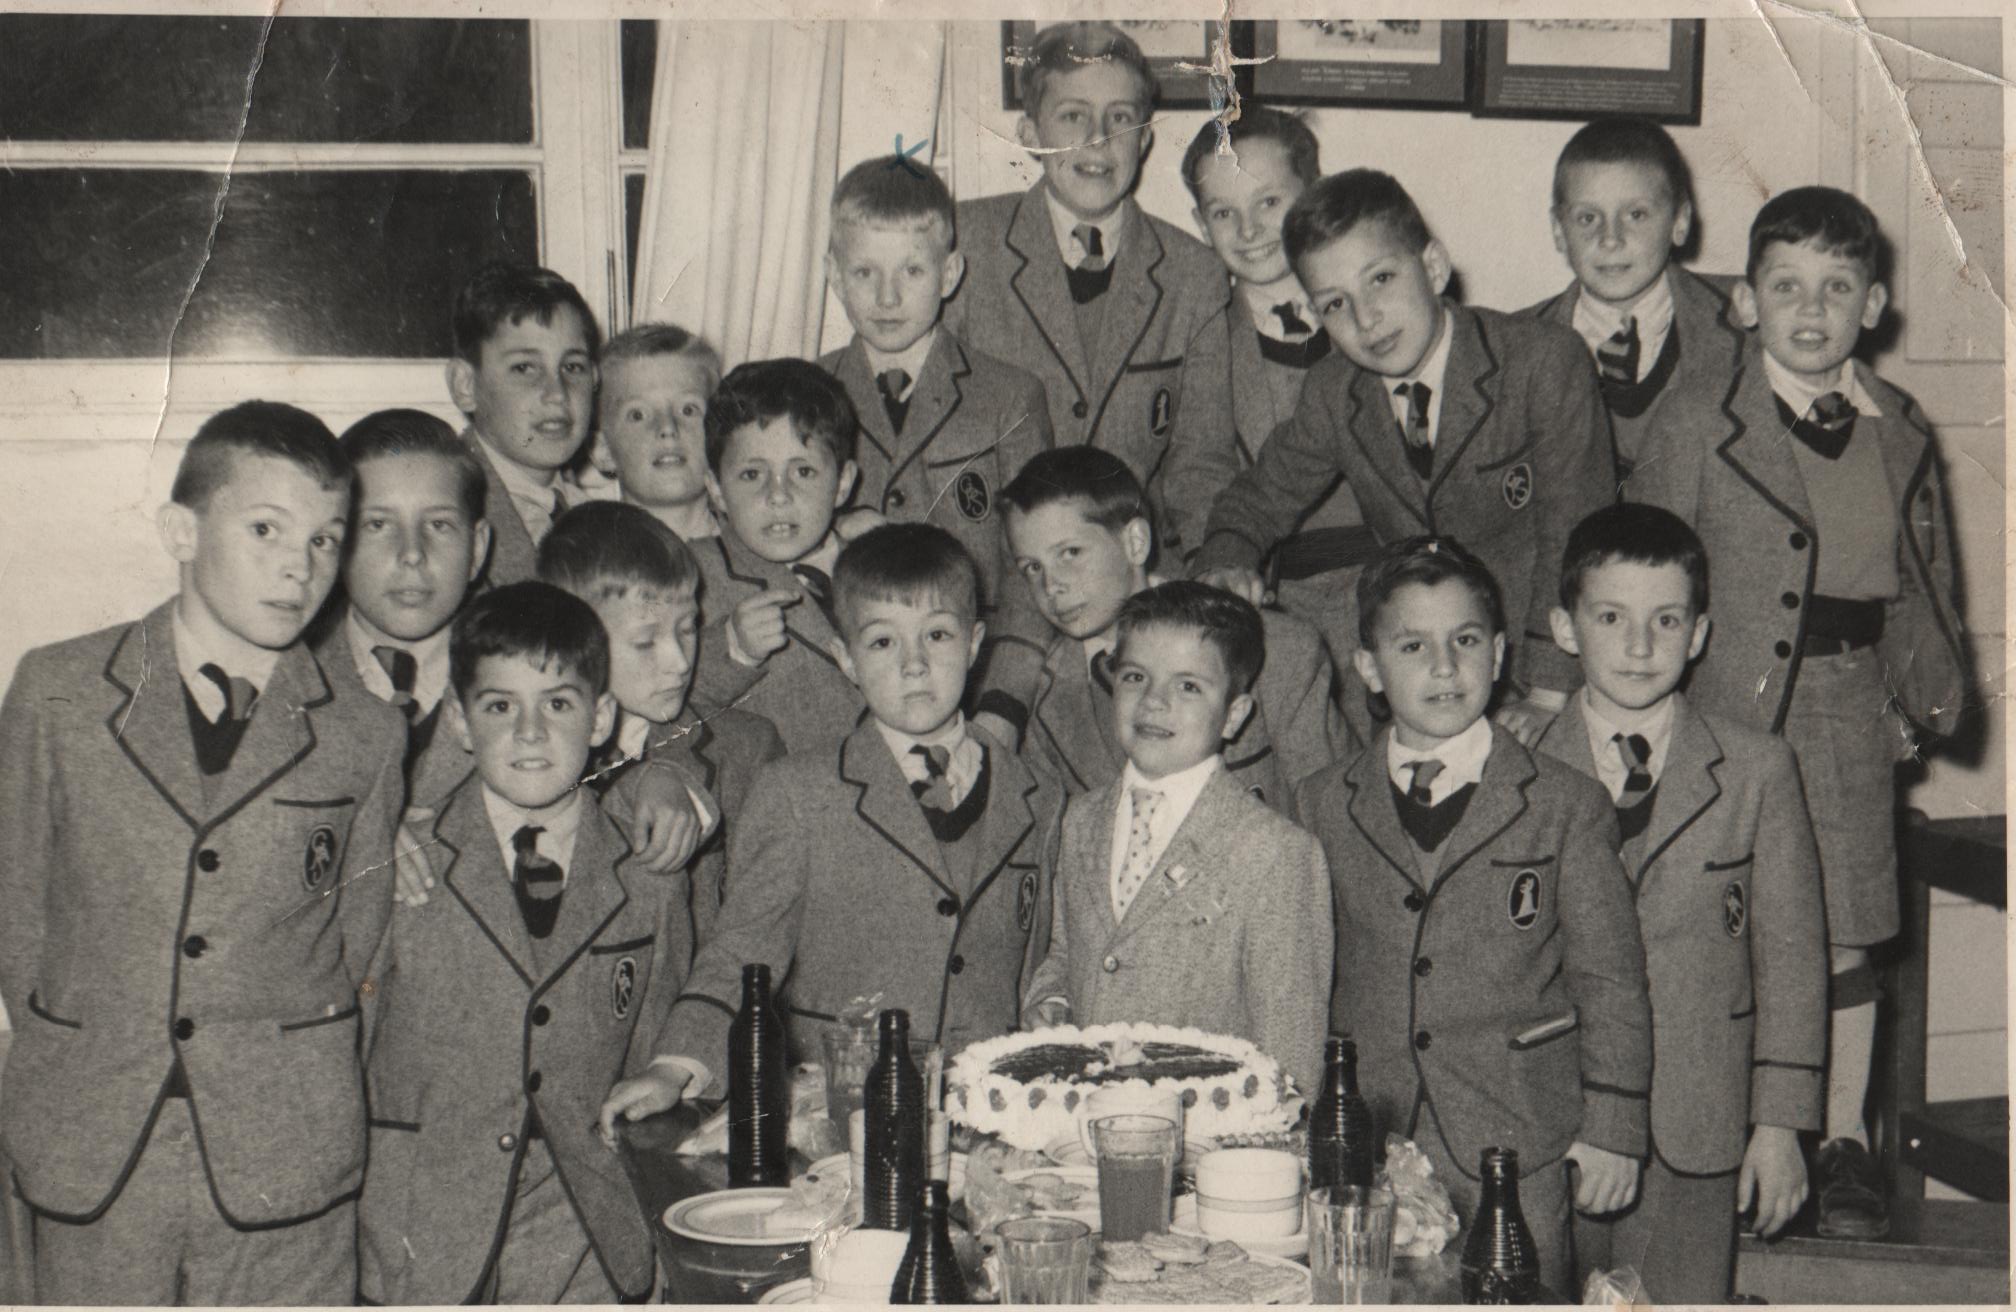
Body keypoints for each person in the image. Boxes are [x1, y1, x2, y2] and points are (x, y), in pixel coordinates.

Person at [0, 401, 404, 1304]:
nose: (299, 566)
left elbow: (359, 947)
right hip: (94, 1143)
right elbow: (16, 911)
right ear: (180, 531)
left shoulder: (365, 734)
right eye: (266, 529)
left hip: (284, 1156)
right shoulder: (57, 693)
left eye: (325, 540)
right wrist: (86, 1048)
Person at [1630, 186, 1968, 1239]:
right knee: (1728, 923)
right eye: (1786, 286)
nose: (1811, 310)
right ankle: (1723, 1138)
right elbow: (1648, 564)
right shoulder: (1698, 418)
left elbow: (1922, 579)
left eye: (1836, 287)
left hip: (1847, 705)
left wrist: (1913, 702)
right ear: (1744, 302)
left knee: (1845, 932)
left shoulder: (1898, 427)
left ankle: (1842, 1142)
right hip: (1725, 703)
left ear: (1874, 305)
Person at [597, 524, 1063, 1129]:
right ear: (845, 659)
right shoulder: (798, 793)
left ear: (975, 644)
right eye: (883, 642)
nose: (915, 664)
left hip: (990, 1117)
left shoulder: (1039, 795)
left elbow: (1038, 962)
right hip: (840, 1116)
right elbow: (742, 952)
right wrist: (675, 1066)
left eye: (937, 635)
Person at [1293, 536, 1651, 1298]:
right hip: (1370, 1148)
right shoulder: (1323, 802)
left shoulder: (1565, 804)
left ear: (1498, 654)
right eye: (1412, 646)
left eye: (1464, 641)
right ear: (1369, 669)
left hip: (1515, 1143)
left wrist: (1615, 1128)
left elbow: (1611, 981)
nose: (1444, 667)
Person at [1193, 168, 1615, 746]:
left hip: (1541, 671)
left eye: (1381, 279)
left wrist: (1546, 693)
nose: (1366, 319)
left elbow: (1576, 538)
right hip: (1415, 683)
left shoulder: (1542, 361)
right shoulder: (1335, 391)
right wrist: (1226, 559)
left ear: (1434, 268)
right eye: (1335, 303)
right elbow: (1260, 497)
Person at [1538, 503, 1826, 1303]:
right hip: (1555, 1120)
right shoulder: (1518, 766)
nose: (1640, 646)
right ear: (1564, 628)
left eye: (1666, 620)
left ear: (1698, 634)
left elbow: (1792, 962)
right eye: (1610, 617)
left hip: (1697, 1124)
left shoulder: (1757, 770)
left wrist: (1780, 1126)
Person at [358, 582, 674, 1304]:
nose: (530, 732)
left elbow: (661, 1039)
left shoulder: (645, 873)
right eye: (501, 706)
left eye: (558, 704)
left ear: (601, 717)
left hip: (587, 1233)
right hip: (422, 1232)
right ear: (460, 721)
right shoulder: (399, 860)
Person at [1023, 581, 1331, 1095]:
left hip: (1211, 1134)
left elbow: (1290, 1060)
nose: (1153, 701)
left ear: (1233, 714)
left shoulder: (1277, 852)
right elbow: (1065, 953)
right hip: (1082, 1120)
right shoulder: (1079, 820)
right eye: (1135, 677)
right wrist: (1052, 999)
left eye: (1188, 686)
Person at [948, 20, 1237, 561]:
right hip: (997, 566)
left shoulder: (1193, 274)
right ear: (1030, 133)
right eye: (1073, 115)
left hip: (1134, 567)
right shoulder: (966, 245)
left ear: (1144, 139)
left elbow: (1202, 464)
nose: (1098, 138)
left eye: (1120, 117)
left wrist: (1213, 569)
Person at [818, 154, 1055, 747]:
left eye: (912, 271)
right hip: (840, 705)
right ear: (834, 276)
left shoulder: (1009, 397)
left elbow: (1031, 570)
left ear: (949, 275)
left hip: (976, 696)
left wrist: (1003, 707)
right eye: (865, 272)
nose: (888, 296)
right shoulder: (809, 396)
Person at [1001, 446, 1346, 811]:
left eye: (1070, 553)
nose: (1051, 585)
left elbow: (1334, 815)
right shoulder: (1043, 702)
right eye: (1032, 568)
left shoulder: (1277, 649)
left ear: (1135, 542)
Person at [1180, 107, 1377, 713]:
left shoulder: (1376, 312)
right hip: (1275, 596)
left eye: (1269, 202)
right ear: (1201, 224)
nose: (1249, 230)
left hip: (1387, 581)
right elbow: (1198, 476)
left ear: (1313, 194)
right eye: (1223, 213)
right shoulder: (1203, 336)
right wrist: (1224, 580)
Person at [537, 501, 784, 949]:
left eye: (687, 629)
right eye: (645, 641)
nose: (680, 661)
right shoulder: (531, 755)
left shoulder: (747, 748)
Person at [1521, 116, 1746, 480]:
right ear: (1558, 230)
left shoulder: (1750, 317)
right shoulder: (1513, 345)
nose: (1611, 238)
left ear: (1680, 222)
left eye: (1636, 214)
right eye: (1587, 218)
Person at [684, 358, 871, 753]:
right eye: (752, 474)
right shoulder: (691, 573)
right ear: (716, 490)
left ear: (843, 484)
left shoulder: (878, 559)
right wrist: (732, 648)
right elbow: (655, 699)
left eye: (803, 472)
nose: (778, 495)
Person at [321, 408, 490, 809]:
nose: (412, 553)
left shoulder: (526, 672)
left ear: (477, 549)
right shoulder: (290, 679)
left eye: (438, 525)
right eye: (377, 524)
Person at [447, 262, 600, 585]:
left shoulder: (592, 516)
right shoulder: (447, 515)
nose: (557, 394)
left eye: (573, 367)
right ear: (465, 386)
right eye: (525, 368)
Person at [597, 322, 723, 542]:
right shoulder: (583, 556)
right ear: (603, 450)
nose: (667, 428)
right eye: (638, 415)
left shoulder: (760, 553)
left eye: (688, 410)